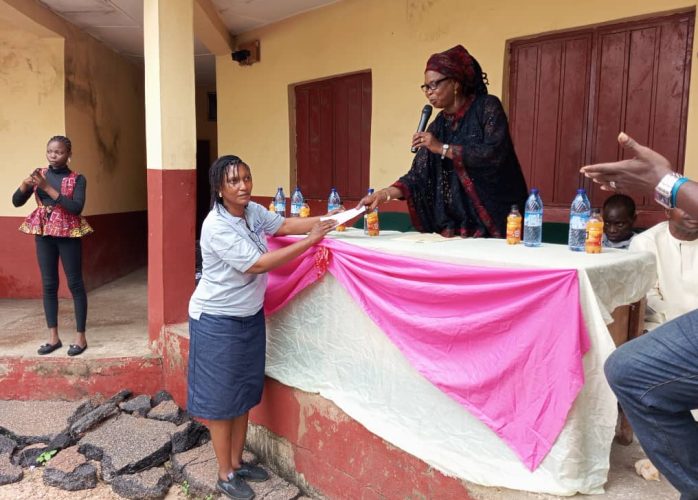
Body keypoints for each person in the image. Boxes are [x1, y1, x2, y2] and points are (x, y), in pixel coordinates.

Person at [187, 155, 336, 500]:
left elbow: (283, 225)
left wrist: (332, 219)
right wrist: (310, 241)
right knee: (222, 401)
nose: (243, 186)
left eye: (247, 178)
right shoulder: (217, 225)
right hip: (217, 320)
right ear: (219, 189)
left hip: (248, 315)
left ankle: (236, 462)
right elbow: (257, 264)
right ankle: (224, 473)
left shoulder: (251, 211)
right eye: (234, 181)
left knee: (242, 392)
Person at [581, 132, 698, 498]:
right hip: (666, 324)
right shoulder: (648, 242)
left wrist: (664, 180)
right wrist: (664, 181)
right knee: (628, 368)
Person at [359, 45, 528, 238]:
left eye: (434, 85)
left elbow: (494, 154)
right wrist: (383, 195)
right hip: (457, 228)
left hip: (496, 219)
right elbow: (416, 176)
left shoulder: (487, 107)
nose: (429, 92)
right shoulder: (438, 125)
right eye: (425, 87)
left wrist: (441, 147)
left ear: (455, 83)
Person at [12, 135, 93, 357]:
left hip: (68, 234)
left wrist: (47, 188)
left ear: (69, 154)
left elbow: (75, 208)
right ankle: (53, 338)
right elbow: (16, 202)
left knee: (75, 283)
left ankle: (80, 337)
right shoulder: (40, 175)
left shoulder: (77, 179)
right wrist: (25, 185)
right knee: (49, 284)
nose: (53, 155)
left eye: (59, 152)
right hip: (44, 233)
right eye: (50, 151)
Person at [629, 207, 698, 331]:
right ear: (668, 211)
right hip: (664, 326)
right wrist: (686, 322)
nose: (694, 211)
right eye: (684, 206)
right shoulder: (645, 242)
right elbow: (648, 297)